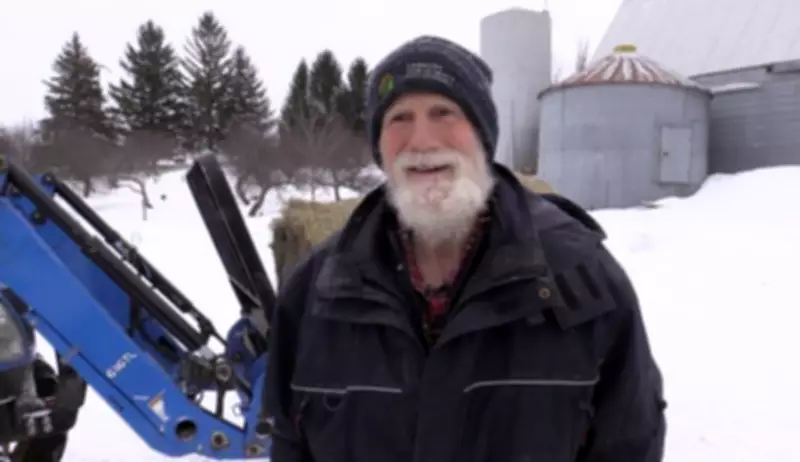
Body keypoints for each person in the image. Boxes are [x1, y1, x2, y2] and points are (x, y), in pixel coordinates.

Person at [264, 35, 666, 462]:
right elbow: (290, 443)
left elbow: (630, 441)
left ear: (482, 135)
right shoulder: (317, 292)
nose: (421, 141)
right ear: (379, 145)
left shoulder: (580, 278)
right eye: (399, 118)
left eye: (444, 112)